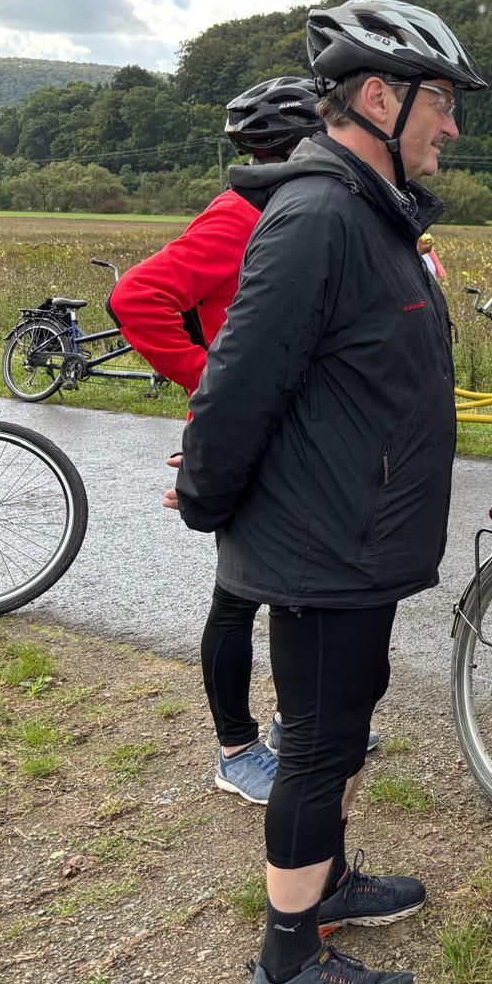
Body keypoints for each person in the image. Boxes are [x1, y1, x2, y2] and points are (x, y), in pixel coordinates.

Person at [174, 0, 486, 984]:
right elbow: (236, 385)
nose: (452, 124)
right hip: (322, 542)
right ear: (379, 97)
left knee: (345, 725)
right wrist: (211, 504)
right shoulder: (317, 215)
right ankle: (287, 964)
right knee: (314, 748)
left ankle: (327, 888)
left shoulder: (368, 209)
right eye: (440, 102)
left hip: (357, 534)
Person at [109, 76, 373, 810]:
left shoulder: (302, 208)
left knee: (291, 587)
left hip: (285, 427)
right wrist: (208, 386)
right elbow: (135, 299)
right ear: (298, 142)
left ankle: (295, 726)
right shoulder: (239, 216)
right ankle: (235, 749)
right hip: (246, 427)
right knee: (238, 598)